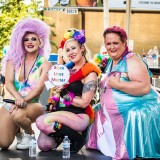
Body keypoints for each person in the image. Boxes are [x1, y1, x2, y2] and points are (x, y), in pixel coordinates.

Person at [86, 26, 160, 159]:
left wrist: (118, 84)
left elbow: (144, 87)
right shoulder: (112, 61)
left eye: (116, 43)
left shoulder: (132, 60)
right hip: (112, 111)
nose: (112, 47)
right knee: (95, 110)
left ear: (124, 43)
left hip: (134, 108)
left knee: (133, 115)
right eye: (108, 43)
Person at [36, 28, 101, 153]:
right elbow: (55, 94)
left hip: (78, 117)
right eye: (68, 50)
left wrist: (64, 93)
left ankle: (77, 138)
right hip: (60, 114)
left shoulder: (89, 72)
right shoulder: (65, 71)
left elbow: (84, 103)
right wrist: (54, 99)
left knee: (41, 122)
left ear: (82, 48)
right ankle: (63, 134)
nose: (70, 52)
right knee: (44, 145)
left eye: (73, 48)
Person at [0, 17, 52, 150]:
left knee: (18, 115)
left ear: (40, 41)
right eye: (26, 39)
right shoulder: (13, 60)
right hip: (11, 103)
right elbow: (9, 83)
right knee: (3, 143)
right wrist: (17, 99)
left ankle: (30, 134)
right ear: (21, 42)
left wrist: (21, 101)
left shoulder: (45, 64)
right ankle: (18, 131)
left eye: (33, 39)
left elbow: (38, 89)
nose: (29, 42)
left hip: (32, 105)